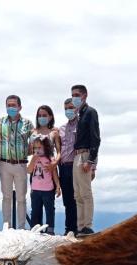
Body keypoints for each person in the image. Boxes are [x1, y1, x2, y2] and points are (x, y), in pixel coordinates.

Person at [0, 95, 34, 229]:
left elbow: (35, 140)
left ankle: (21, 228)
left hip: (21, 164)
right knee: (6, 197)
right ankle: (6, 226)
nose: (11, 108)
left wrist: (28, 151)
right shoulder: (0, 122)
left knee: (21, 198)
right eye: (8, 105)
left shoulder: (28, 123)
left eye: (13, 105)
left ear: (20, 107)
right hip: (4, 163)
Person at [71, 84, 100, 236]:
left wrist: (91, 161)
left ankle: (87, 225)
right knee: (78, 194)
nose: (74, 98)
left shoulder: (90, 112)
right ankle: (80, 226)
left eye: (77, 95)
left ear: (84, 95)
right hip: (76, 155)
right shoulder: (79, 115)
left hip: (85, 155)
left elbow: (95, 137)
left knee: (86, 192)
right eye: (73, 95)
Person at [28, 135, 61, 234]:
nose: (37, 150)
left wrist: (58, 186)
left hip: (48, 190)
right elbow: (29, 170)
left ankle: (50, 230)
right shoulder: (33, 158)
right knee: (35, 211)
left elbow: (54, 173)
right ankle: (35, 230)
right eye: (35, 148)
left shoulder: (50, 158)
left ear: (45, 147)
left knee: (49, 210)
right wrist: (33, 160)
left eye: (39, 147)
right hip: (35, 190)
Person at [58, 98, 78, 235]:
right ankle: (69, 229)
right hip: (63, 166)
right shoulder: (61, 129)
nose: (68, 111)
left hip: (76, 166)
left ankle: (79, 228)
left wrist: (93, 167)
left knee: (78, 198)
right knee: (67, 200)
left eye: (71, 108)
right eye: (66, 108)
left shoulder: (82, 125)